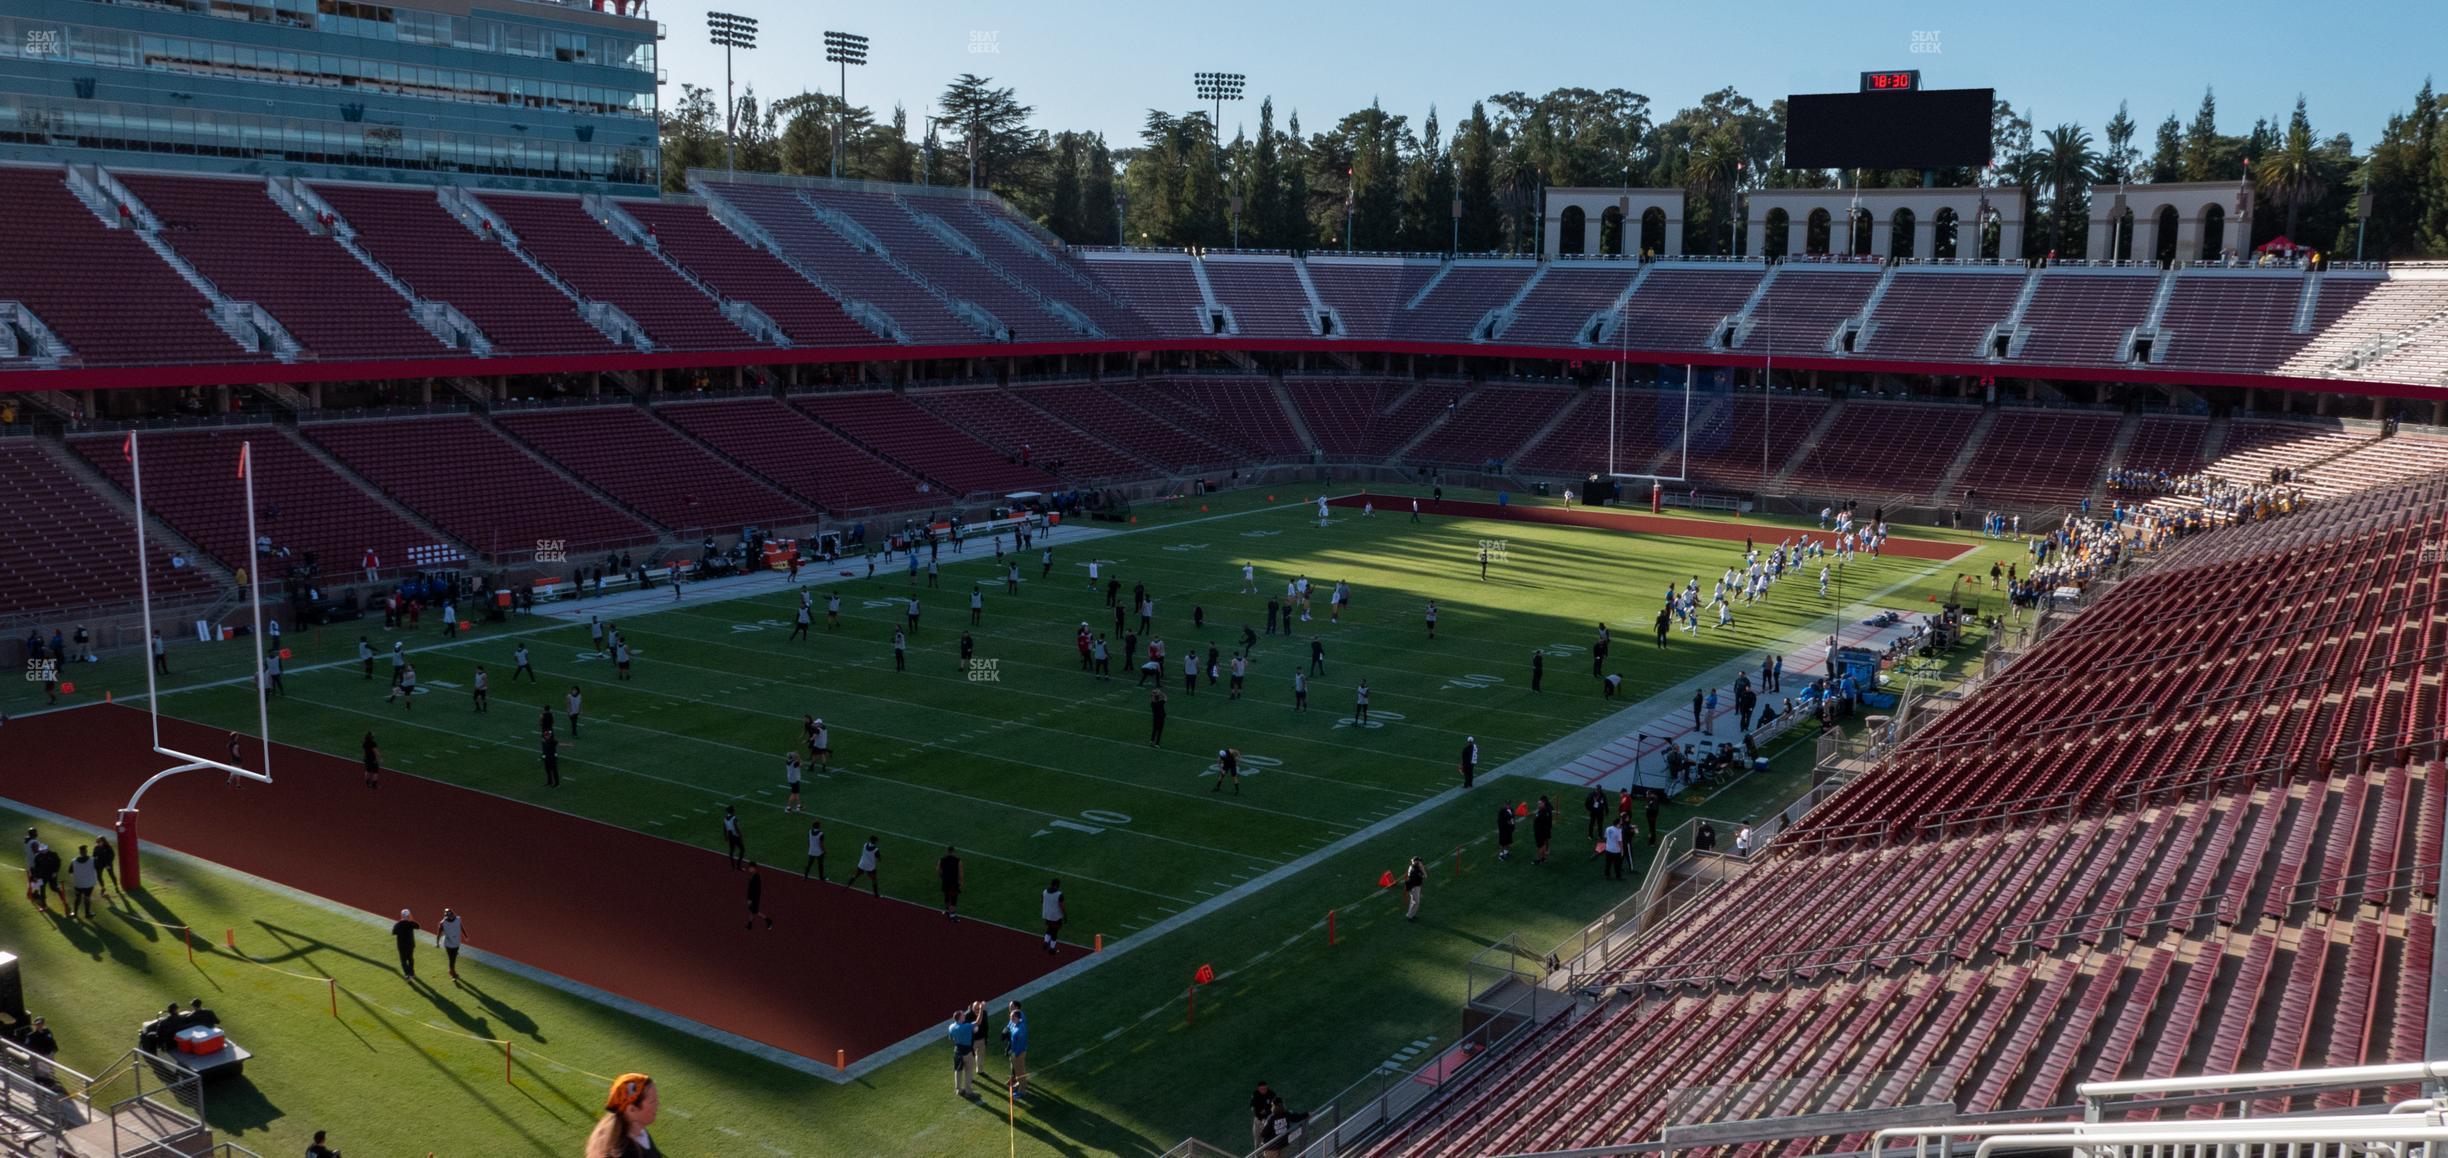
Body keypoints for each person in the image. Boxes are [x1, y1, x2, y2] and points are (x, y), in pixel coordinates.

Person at [583, 1073, 662, 1158]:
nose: (658, 1105)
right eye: (653, 1101)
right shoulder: (624, 1153)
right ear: (632, 1110)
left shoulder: (639, 1133)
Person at [948, 1006, 981, 1099]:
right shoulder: (966, 1026)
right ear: (960, 1018)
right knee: (968, 1071)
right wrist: (981, 1009)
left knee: (957, 1071)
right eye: (963, 1015)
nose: (964, 1016)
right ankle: (968, 1091)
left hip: (957, 1051)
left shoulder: (951, 1027)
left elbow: (950, 1038)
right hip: (967, 1052)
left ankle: (958, 1089)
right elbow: (978, 1022)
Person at [1003, 1001, 1031, 1095]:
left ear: (1017, 1018)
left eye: (1012, 1018)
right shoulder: (1015, 1025)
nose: (1010, 1019)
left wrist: (1016, 1052)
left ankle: (1022, 1091)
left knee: (1020, 1072)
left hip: (1019, 1052)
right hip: (1014, 1052)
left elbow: (1022, 1043)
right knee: (1018, 1073)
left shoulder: (1020, 1028)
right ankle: (1020, 1086)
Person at [67, 846, 97, 919]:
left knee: (77, 898)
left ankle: (75, 913)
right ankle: (87, 914)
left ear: (79, 852)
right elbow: (98, 868)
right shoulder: (93, 860)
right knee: (87, 898)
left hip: (78, 883)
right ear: (86, 851)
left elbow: (70, 871)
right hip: (89, 884)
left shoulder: (73, 861)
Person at [436, 908, 466, 980]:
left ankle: (451, 970)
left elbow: (461, 926)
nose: (451, 917)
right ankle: (453, 974)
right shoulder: (443, 923)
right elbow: (439, 933)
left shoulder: (458, 919)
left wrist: (465, 935)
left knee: (453, 956)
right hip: (448, 944)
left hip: (456, 943)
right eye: (449, 916)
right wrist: (437, 942)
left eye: (451, 915)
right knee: (452, 959)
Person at [391, 909, 422, 978]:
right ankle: (412, 973)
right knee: (410, 959)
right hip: (410, 945)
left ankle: (407, 974)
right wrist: (411, 920)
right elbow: (418, 926)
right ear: (409, 915)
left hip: (402, 945)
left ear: (401, 915)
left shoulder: (398, 924)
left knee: (403, 960)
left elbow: (393, 932)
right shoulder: (411, 923)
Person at [1039, 879, 1065, 954]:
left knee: (1050, 927)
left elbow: (1041, 900)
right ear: (1056, 885)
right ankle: (1052, 949)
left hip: (1047, 914)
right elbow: (1062, 906)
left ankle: (1046, 941)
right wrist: (1065, 915)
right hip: (1055, 916)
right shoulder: (1059, 894)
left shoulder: (1044, 891)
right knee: (1055, 931)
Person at [938, 845, 964, 921]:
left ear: (947, 851)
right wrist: (961, 882)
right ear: (953, 851)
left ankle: (947, 910)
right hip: (953, 882)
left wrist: (942, 877)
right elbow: (960, 873)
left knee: (946, 896)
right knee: (953, 898)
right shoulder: (958, 861)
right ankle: (952, 916)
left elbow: (938, 870)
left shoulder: (942, 860)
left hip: (945, 881)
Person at [744, 862, 772, 930]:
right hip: (753, 898)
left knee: (755, 911)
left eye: (750, 868)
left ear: (753, 868)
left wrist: (750, 899)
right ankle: (750, 925)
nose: (748, 869)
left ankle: (768, 920)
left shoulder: (756, 877)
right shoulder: (754, 875)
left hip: (754, 899)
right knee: (752, 911)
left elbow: (755, 890)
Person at [91, 834, 118, 900]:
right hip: (99, 864)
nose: (97, 843)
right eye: (97, 842)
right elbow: (94, 856)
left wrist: (108, 864)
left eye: (99, 842)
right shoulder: (96, 848)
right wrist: (94, 861)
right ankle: (103, 888)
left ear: (103, 841)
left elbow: (112, 855)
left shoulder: (108, 847)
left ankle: (116, 886)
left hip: (107, 864)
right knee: (99, 876)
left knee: (111, 874)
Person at [1532, 796, 1555, 865]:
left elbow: (1538, 821)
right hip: (1546, 830)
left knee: (1540, 846)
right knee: (1544, 844)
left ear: (1543, 804)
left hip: (1540, 832)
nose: (1538, 805)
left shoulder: (1542, 813)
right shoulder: (1547, 811)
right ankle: (1543, 858)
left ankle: (1539, 859)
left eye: (1539, 804)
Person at [721, 805, 746, 870]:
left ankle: (733, 866)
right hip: (735, 836)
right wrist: (740, 834)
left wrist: (725, 836)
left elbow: (724, 828)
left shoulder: (725, 818)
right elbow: (736, 827)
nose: (735, 811)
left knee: (731, 850)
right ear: (732, 811)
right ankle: (738, 866)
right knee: (742, 850)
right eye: (734, 810)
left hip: (730, 836)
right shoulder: (734, 818)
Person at [1402, 856, 1426, 920]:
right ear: (1416, 862)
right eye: (1419, 861)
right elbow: (1425, 876)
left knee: (1413, 902)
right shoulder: (1416, 870)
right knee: (1416, 902)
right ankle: (1409, 916)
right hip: (1414, 887)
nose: (1421, 862)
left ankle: (1411, 914)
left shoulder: (1412, 867)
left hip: (1413, 886)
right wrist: (1422, 868)